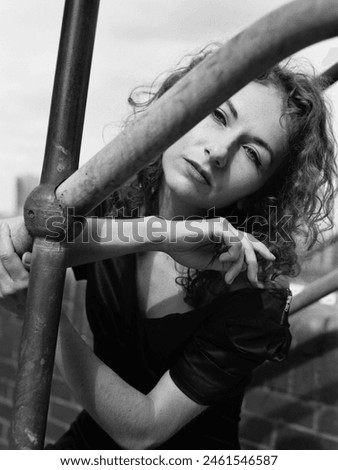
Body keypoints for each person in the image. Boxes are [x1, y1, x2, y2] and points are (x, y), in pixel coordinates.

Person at [0, 45, 337, 450]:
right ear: (178, 107)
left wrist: (43, 314)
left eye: (251, 152)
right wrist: (157, 233)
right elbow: (17, 246)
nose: (218, 151)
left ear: (265, 188)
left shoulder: (255, 290)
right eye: (217, 114)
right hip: (89, 440)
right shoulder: (114, 200)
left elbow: (143, 431)